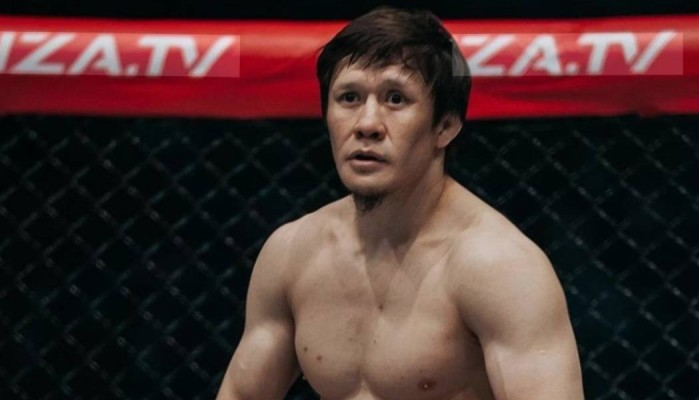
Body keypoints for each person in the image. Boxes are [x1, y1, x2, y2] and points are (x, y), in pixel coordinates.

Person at [216, 6, 583, 400]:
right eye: (349, 98)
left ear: (445, 126)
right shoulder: (292, 253)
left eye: (395, 99)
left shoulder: (501, 269)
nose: (366, 124)